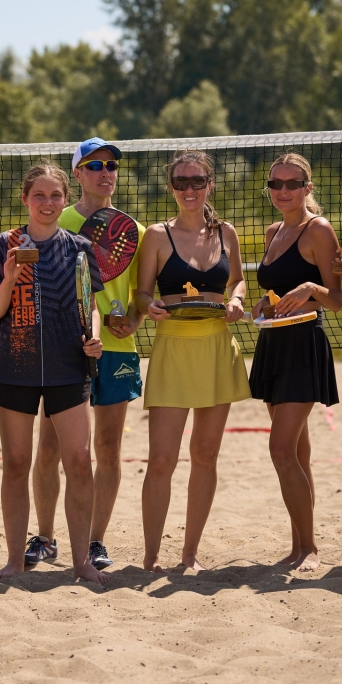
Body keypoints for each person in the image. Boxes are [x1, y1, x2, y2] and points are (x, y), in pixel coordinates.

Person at [0, 161, 107, 586]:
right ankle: (15, 560)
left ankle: (81, 562)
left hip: (68, 366)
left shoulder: (80, 247)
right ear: (25, 199)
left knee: (79, 462)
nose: (47, 203)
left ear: (65, 199)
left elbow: (91, 304)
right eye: (39, 195)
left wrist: (95, 335)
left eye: (55, 195)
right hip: (14, 367)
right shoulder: (5, 244)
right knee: (17, 463)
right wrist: (9, 278)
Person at [29, 138, 145, 572]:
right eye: (95, 165)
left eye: (111, 165)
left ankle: (96, 541)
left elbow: (140, 294)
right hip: (64, 350)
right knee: (50, 448)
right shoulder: (57, 217)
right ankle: (45, 538)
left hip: (116, 349)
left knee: (108, 449)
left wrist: (133, 320)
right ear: (77, 174)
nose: (105, 172)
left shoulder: (134, 230)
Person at [136, 150, 251, 572]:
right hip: (173, 348)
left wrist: (237, 300)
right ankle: (151, 557)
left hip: (217, 347)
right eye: (181, 182)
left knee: (205, 454)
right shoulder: (156, 235)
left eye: (197, 181)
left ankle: (189, 555)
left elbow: (238, 281)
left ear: (209, 185)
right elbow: (142, 293)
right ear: (171, 187)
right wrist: (149, 306)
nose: (189, 189)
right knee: (161, 460)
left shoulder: (226, 232)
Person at [248, 153, 342, 570]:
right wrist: (263, 305)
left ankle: (310, 549)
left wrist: (310, 287)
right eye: (276, 184)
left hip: (304, 344)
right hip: (273, 343)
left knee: (281, 449)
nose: (283, 191)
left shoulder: (318, 229)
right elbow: (277, 291)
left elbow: (336, 300)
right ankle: (299, 544)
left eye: (292, 183)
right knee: (297, 455)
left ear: (308, 187)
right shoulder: (273, 231)